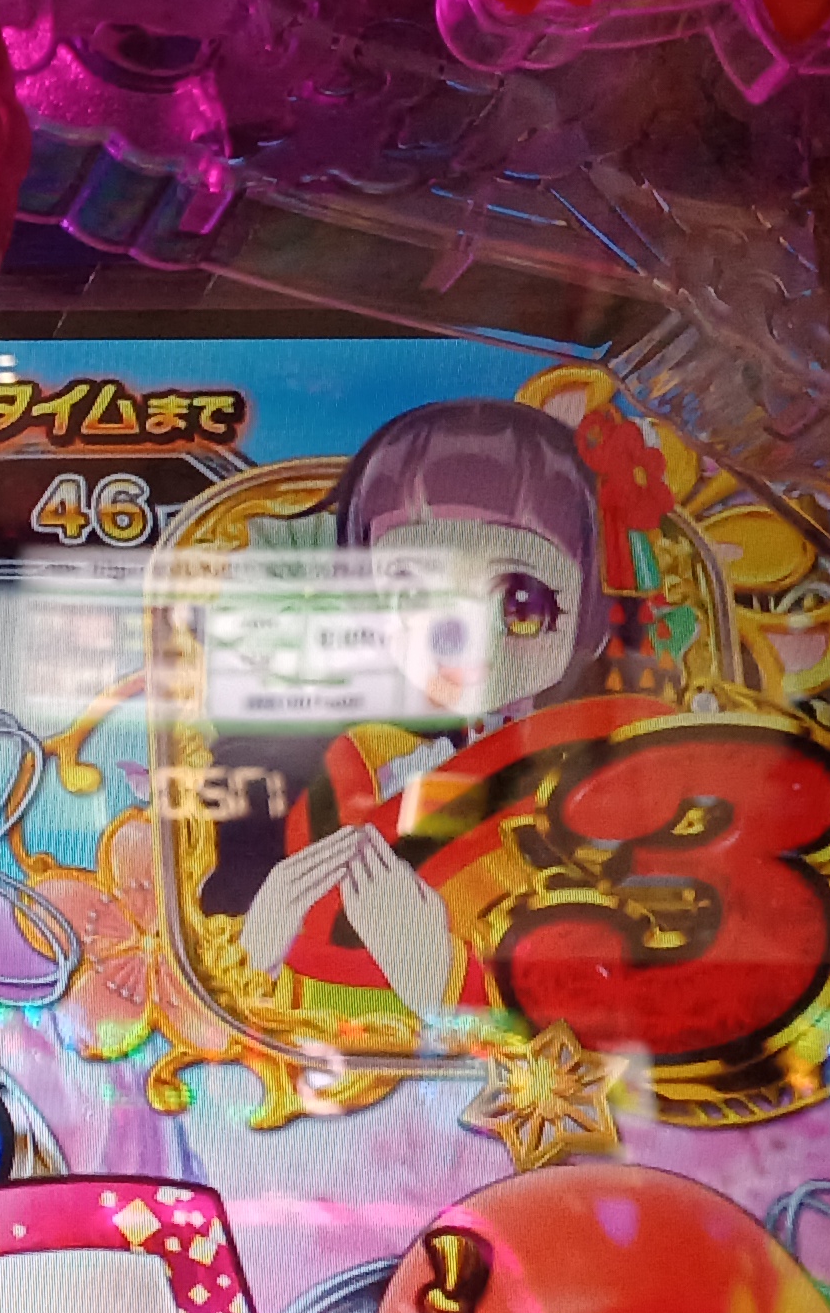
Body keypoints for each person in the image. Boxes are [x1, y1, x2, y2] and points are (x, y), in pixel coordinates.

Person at [239, 399, 621, 1025]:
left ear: (591, 617)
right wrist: (264, 941)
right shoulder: (365, 760)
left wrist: (444, 980)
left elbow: (616, 1006)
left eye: (525, 602)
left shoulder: (601, 790)